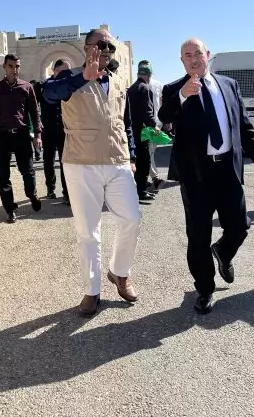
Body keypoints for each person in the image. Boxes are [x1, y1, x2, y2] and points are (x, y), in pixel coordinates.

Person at [159, 39, 254, 314]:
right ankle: (205, 289)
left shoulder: (228, 85)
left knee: (240, 226)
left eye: (198, 53)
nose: (194, 58)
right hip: (196, 174)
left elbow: (242, 121)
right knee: (198, 235)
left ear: (208, 55)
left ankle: (223, 251)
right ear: (182, 61)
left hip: (228, 168)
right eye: (187, 55)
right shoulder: (174, 89)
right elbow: (164, 115)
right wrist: (182, 95)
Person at [43, 29, 141, 316]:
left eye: (110, 45)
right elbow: (48, 94)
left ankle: (119, 272)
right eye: (100, 44)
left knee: (132, 218)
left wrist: (132, 155)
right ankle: (92, 290)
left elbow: (125, 122)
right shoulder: (69, 78)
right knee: (88, 231)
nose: (105, 49)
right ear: (86, 48)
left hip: (117, 161)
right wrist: (84, 76)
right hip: (81, 162)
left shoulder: (119, 82)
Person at [0, 54, 43, 224]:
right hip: (4, 135)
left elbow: (34, 113)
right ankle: (10, 209)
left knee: (27, 171)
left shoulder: (26, 87)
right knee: (3, 174)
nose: (15, 70)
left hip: (22, 135)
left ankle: (32, 195)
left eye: (17, 66)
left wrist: (37, 135)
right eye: (11, 66)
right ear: (4, 67)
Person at [127, 63, 159, 201]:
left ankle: (136, 190)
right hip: (142, 130)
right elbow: (147, 110)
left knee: (136, 161)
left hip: (132, 130)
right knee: (144, 161)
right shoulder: (144, 88)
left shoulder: (132, 88)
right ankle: (142, 191)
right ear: (149, 76)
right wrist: (154, 125)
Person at [40, 59, 70, 203]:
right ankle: (50, 189)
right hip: (48, 129)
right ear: (55, 70)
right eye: (63, 71)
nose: (67, 75)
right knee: (48, 160)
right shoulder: (44, 85)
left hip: (65, 129)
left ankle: (66, 192)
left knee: (66, 162)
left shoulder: (69, 86)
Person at [138, 59, 164, 191]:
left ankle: (146, 177)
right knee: (149, 151)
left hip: (158, 122)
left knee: (152, 151)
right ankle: (155, 178)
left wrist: (166, 122)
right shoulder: (137, 86)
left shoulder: (158, 85)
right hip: (145, 124)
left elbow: (161, 103)